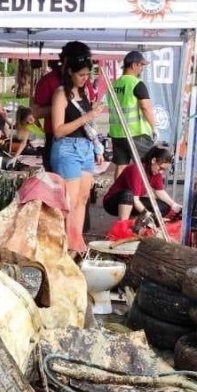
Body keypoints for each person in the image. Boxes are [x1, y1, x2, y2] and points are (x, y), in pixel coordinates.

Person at [49, 55, 107, 254]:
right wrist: (87, 117)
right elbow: (58, 130)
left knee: (83, 198)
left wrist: (97, 146)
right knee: (70, 201)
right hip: (67, 148)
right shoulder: (60, 94)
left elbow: (90, 126)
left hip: (86, 148)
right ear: (70, 73)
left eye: (87, 75)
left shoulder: (84, 94)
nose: (85, 78)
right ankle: (66, 243)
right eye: (81, 74)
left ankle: (77, 241)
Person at [32, 41, 92, 173]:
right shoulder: (49, 80)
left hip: (83, 141)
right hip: (57, 140)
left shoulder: (84, 82)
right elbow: (35, 112)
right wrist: (60, 107)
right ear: (66, 61)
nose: (84, 76)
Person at [108, 51, 156, 180]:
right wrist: (154, 127)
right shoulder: (136, 83)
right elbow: (146, 107)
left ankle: (116, 195)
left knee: (121, 165)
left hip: (117, 133)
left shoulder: (114, 84)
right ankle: (140, 194)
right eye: (141, 65)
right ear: (134, 65)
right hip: (136, 133)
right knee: (145, 165)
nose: (142, 68)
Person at [102, 144, 181, 220]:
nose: (161, 172)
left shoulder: (156, 172)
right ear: (153, 160)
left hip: (132, 200)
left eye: (164, 170)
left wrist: (174, 205)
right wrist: (149, 215)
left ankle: (138, 221)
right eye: (161, 168)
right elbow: (135, 200)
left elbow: (160, 191)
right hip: (112, 202)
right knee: (128, 194)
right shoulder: (136, 170)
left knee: (164, 207)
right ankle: (123, 224)